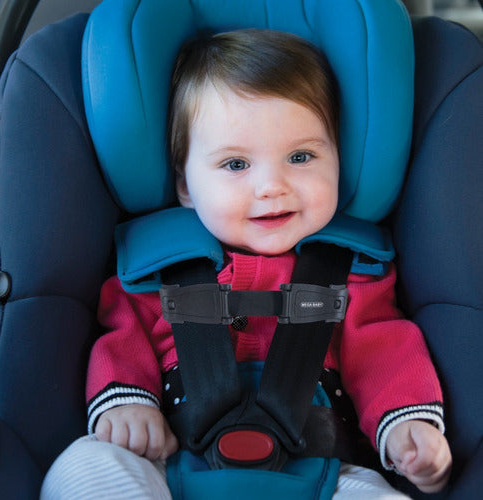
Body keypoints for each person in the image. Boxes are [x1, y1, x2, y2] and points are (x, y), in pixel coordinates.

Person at [41, 29, 452, 499]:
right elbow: (122, 338)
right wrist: (127, 405)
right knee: (82, 466)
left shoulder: (354, 273)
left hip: (317, 475)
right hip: (174, 472)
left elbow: (384, 352)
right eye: (236, 165)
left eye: (301, 156)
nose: (272, 186)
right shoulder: (158, 271)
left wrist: (408, 425)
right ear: (187, 187)